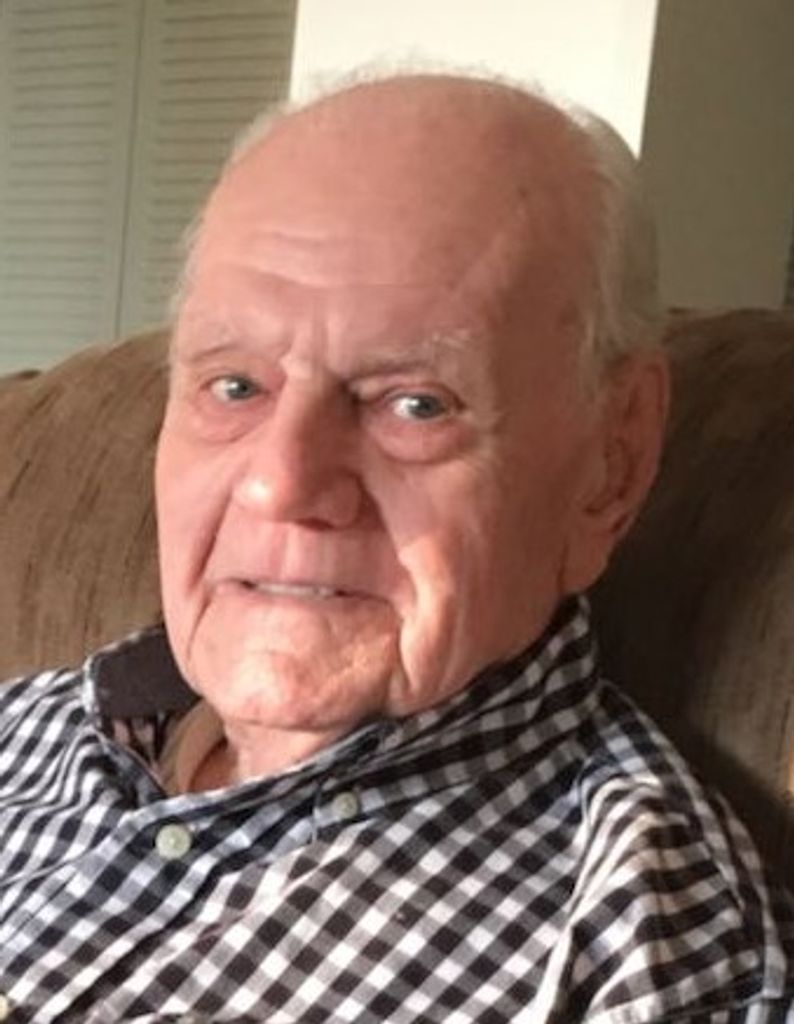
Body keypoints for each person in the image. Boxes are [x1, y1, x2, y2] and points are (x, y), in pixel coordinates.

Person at [1, 72, 792, 1024]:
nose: (281, 483)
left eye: (415, 404)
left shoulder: (640, 956)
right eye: (235, 386)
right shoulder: (36, 723)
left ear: (611, 462)